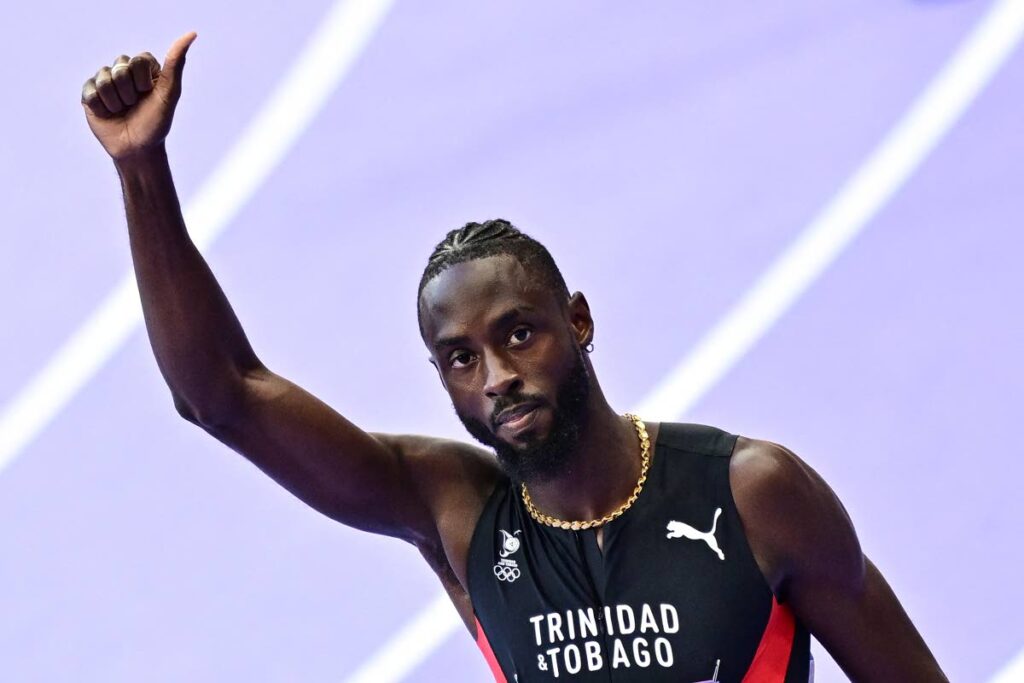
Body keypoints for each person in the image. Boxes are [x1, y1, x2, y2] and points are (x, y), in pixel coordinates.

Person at [81, 32, 948, 682]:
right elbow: (220, 396)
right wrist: (140, 169)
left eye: (517, 334)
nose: (496, 374)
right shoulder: (457, 513)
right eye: (460, 358)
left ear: (578, 320)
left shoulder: (754, 492)